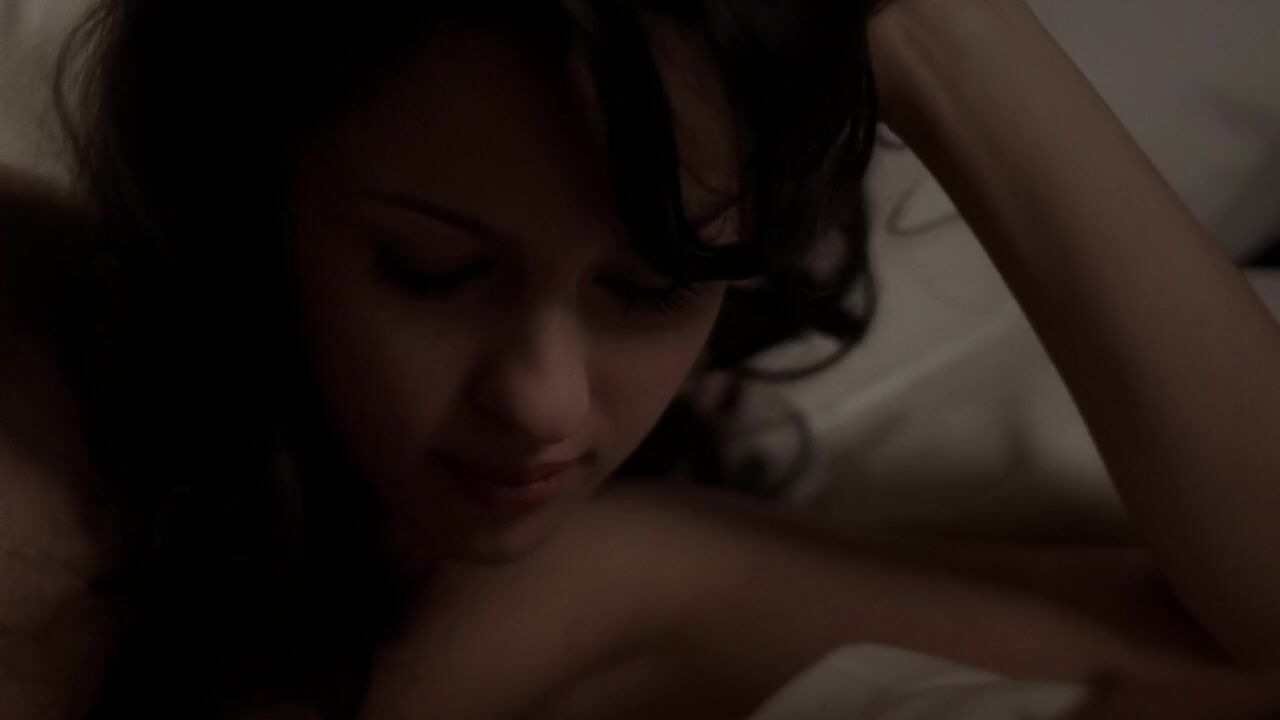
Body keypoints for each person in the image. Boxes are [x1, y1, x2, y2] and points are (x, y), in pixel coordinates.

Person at [3, 0, 1280, 717]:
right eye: (431, 270)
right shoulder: (37, 361)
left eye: (653, 288)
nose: (543, 404)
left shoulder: (572, 581)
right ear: (247, 192)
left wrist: (927, 31)